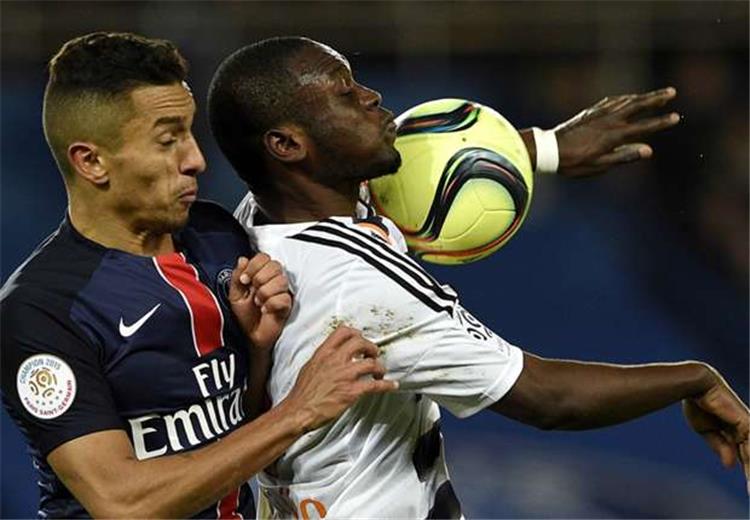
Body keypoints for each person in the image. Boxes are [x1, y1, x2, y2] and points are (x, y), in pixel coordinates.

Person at [207, 36, 750, 519]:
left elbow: (405, 173)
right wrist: (695, 379)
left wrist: (542, 148)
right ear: (287, 145)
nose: (371, 96)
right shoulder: (362, 287)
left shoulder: (264, 216)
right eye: (344, 94)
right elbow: (548, 398)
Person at [0, 32, 398, 519]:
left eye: (190, 134)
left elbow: (234, 431)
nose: (195, 160)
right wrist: (298, 410)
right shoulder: (42, 309)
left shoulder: (216, 237)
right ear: (92, 161)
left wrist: (257, 350)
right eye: (168, 140)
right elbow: (123, 503)